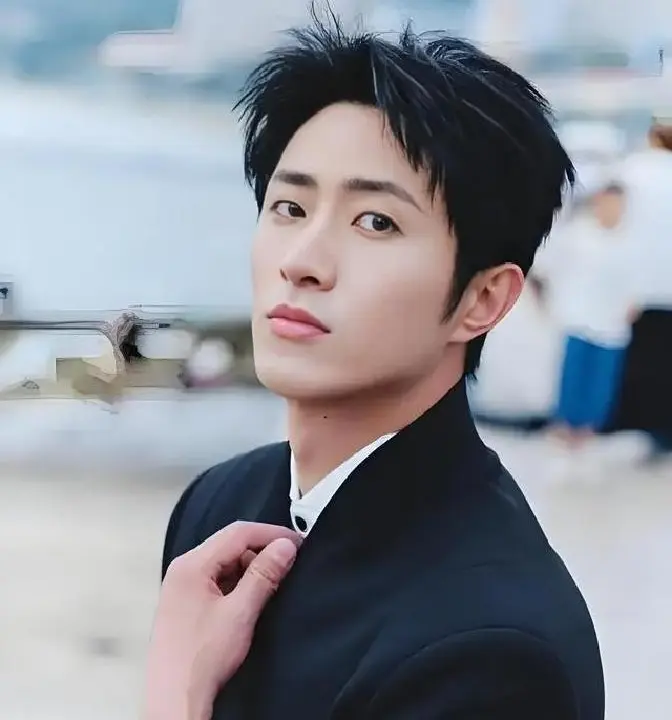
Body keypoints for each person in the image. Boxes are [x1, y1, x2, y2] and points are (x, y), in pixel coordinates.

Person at [156, 9, 604, 720]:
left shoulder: (492, 653)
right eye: (289, 206)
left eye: (376, 222)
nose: (302, 262)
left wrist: (173, 702)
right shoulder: (218, 505)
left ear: (482, 300)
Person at [546, 183, 634, 444]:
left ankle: (589, 428)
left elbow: (634, 280)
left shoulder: (628, 241)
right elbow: (554, 267)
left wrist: (631, 304)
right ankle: (565, 425)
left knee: (601, 380)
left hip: (612, 323)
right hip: (579, 317)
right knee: (574, 374)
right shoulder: (578, 235)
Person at [608, 122, 672, 454]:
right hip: (665, 285)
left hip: (637, 286)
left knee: (638, 358)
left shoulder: (632, 170)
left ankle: (635, 423)